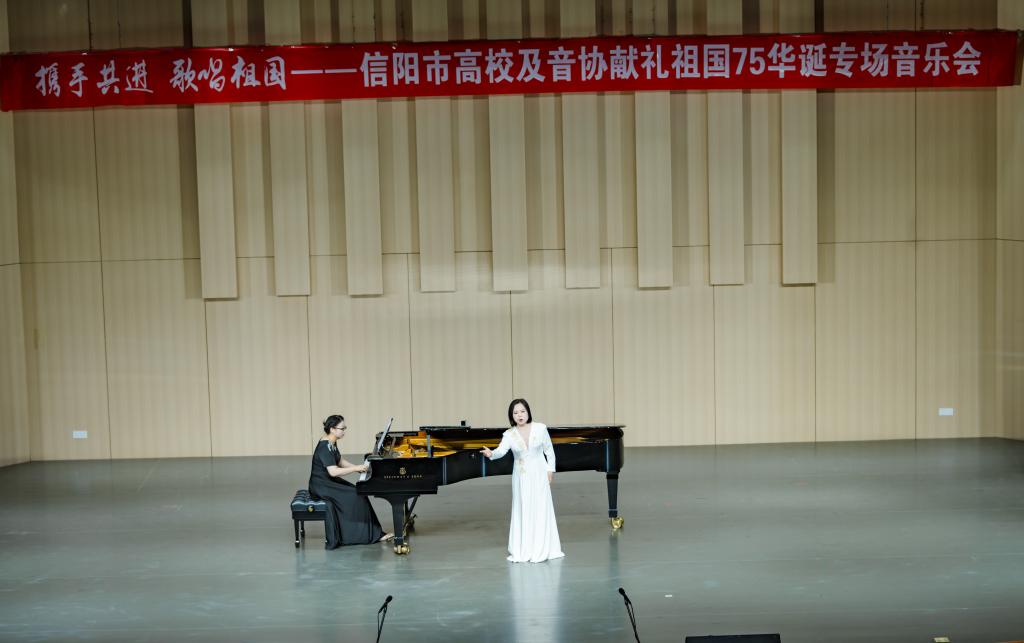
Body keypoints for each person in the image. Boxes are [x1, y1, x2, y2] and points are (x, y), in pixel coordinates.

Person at [480, 399, 565, 563]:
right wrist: (491, 454)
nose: (519, 415)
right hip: (521, 476)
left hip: (540, 473)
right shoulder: (509, 434)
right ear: (511, 416)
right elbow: (501, 451)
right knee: (524, 507)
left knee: (541, 507)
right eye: (515, 412)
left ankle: (542, 547)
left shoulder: (540, 428)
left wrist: (550, 470)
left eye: (522, 411)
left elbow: (549, 450)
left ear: (528, 412)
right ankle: (525, 549)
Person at [308, 415, 392, 549]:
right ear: (332, 429)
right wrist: (355, 469)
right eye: (342, 429)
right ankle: (360, 535)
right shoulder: (325, 446)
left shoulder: (332, 442)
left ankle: (372, 533)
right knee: (355, 496)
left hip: (327, 481)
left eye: (344, 428)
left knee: (358, 492)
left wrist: (359, 468)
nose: (344, 431)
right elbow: (333, 471)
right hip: (321, 486)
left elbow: (340, 461)